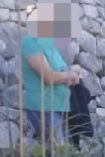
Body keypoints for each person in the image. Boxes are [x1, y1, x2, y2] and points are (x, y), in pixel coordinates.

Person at [21, 1, 81, 146]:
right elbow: (49, 77)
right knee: (56, 151)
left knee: (61, 151)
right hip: (44, 106)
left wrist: (70, 76)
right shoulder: (30, 42)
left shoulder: (49, 45)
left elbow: (62, 73)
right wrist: (69, 75)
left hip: (58, 106)